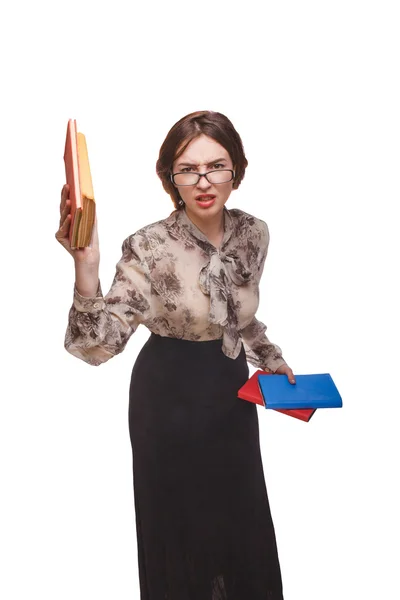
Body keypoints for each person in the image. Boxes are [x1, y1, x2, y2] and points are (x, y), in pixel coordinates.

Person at [55, 110, 296, 600]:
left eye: (217, 166)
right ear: (170, 177)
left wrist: (271, 359)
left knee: (241, 520)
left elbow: (240, 316)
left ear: (237, 171)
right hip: (167, 400)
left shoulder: (254, 233)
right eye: (188, 169)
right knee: (181, 530)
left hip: (232, 395)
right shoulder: (148, 245)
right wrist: (88, 265)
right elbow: (95, 346)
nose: (204, 181)